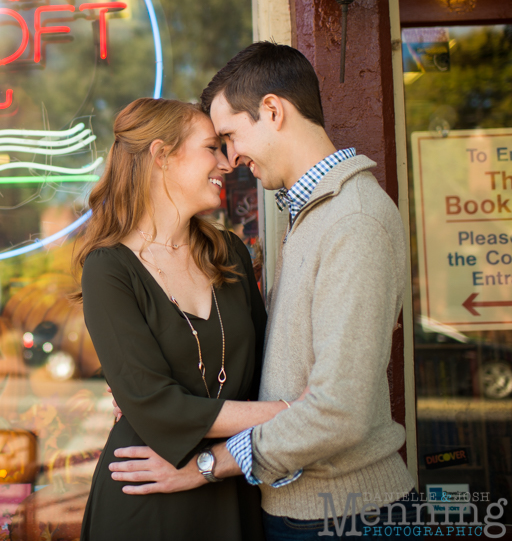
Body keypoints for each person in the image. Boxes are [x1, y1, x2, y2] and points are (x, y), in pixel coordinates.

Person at [109, 42, 418, 539]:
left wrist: (205, 466)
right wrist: (151, 388)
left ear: (272, 111)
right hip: (307, 509)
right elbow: (282, 361)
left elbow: (340, 413)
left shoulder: (353, 220)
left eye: (229, 135)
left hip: (349, 515)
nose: (231, 158)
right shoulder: (313, 214)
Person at [76, 97, 299, 541]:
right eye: (211, 148)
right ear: (162, 156)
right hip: (145, 494)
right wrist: (289, 414)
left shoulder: (230, 253)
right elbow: (157, 407)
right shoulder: (109, 269)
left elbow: (264, 370)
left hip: (230, 483)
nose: (227, 161)